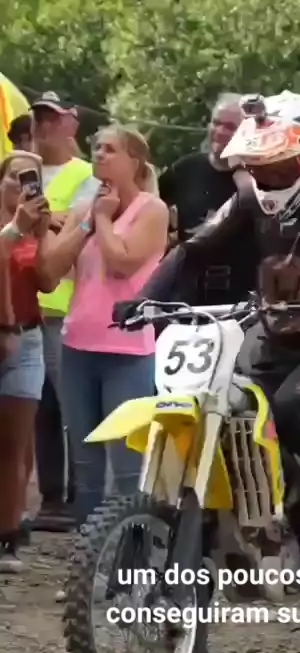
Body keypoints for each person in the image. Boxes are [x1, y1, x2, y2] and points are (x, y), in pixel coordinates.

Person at [112, 91, 300, 567]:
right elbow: (194, 247)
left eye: (280, 163)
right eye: (259, 162)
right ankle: (241, 521)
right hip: (268, 345)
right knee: (220, 404)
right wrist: (146, 297)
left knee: (296, 406)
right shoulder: (249, 200)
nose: (269, 173)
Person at [40, 124, 168, 524]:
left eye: (110, 149)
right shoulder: (87, 209)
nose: (98, 154)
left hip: (127, 349)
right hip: (78, 345)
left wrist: (103, 219)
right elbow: (50, 270)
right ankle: (86, 549)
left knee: (127, 462)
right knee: (85, 461)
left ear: (135, 160)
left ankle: (130, 550)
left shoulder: (152, 210)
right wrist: (86, 223)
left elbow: (122, 262)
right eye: (96, 147)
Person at [31, 91, 100, 532]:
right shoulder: (22, 169)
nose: (43, 126)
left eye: (52, 118)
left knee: (69, 406)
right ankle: (51, 496)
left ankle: (79, 495)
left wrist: (48, 220)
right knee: (39, 408)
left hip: (64, 305)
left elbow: (80, 226)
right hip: (24, 306)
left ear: (71, 125)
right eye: (38, 117)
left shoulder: (86, 174)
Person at [0, 150, 56, 572]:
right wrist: (15, 228)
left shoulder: (31, 227)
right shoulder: (10, 227)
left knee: (15, 447)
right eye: (15, 177)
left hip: (27, 338)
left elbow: (49, 281)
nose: (22, 186)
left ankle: (8, 536)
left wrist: (42, 234)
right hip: (4, 333)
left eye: (31, 178)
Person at [158, 93, 258, 305]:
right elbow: (149, 205)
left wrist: (242, 172)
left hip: (239, 296)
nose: (220, 132)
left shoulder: (261, 176)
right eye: (216, 123)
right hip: (187, 292)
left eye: (230, 127)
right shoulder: (186, 169)